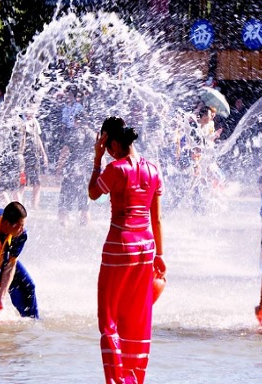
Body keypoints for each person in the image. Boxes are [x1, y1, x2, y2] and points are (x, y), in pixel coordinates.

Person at [88, 116, 164, 384]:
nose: (106, 151)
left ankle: (115, 380)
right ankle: (133, 378)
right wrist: (160, 255)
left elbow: (93, 193)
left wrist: (97, 161)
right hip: (146, 249)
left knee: (108, 316)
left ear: (116, 144)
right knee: (136, 315)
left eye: (107, 146)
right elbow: (156, 219)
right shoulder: (154, 170)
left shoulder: (115, 169)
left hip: (119, 246)